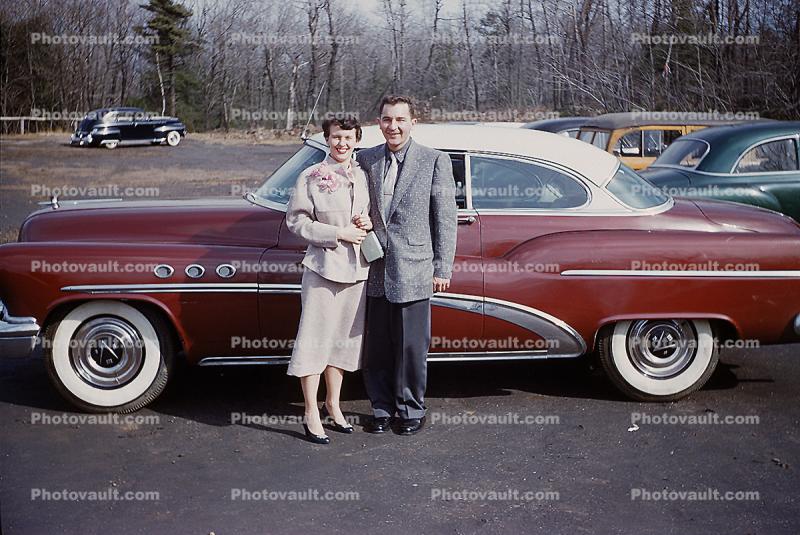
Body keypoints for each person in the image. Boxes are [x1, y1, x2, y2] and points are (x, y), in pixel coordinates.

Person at [354, 95, 457, 435]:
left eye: (400, 119)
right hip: (374, 266)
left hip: (414, 266)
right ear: (379, 122)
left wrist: (442, 268)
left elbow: (445, 218)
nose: (392, 126)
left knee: (411, 346)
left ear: (414, 122)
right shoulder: (366, 159)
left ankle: (411, 410)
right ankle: (381, 408)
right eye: (386, 119)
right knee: (377, 346)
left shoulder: (434, 161)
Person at [285, 116, 372, 444]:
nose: (342, 144)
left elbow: (370, 217)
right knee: (315, 340)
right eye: (336, 137)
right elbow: (296, 221)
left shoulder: (362, 175)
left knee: (343, 342)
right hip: (323, 269)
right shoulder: (310, 176)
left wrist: (366, 222)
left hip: (357, 271)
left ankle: (333, 406)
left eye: (348, 137)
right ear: (327, 139)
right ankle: (310, 411)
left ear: (356, 139)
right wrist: (338, 233)